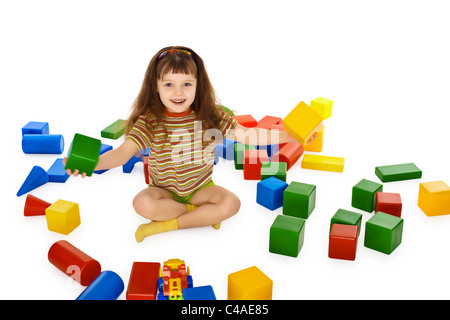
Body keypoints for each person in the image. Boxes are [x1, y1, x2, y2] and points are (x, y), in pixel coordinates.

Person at [65, 46, 300, 242]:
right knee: (141, 204)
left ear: (198, 85)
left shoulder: (211, 116)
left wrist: (290, 135)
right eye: (168, 85)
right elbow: (123, 153)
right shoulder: (150, 120)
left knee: (232, 204)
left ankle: (163, 226)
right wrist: (91, 164)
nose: (178, 92)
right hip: (163, 192)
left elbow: (249, 136)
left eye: (187, 84)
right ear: (155, 87)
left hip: (201, 188)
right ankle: (198, 217)